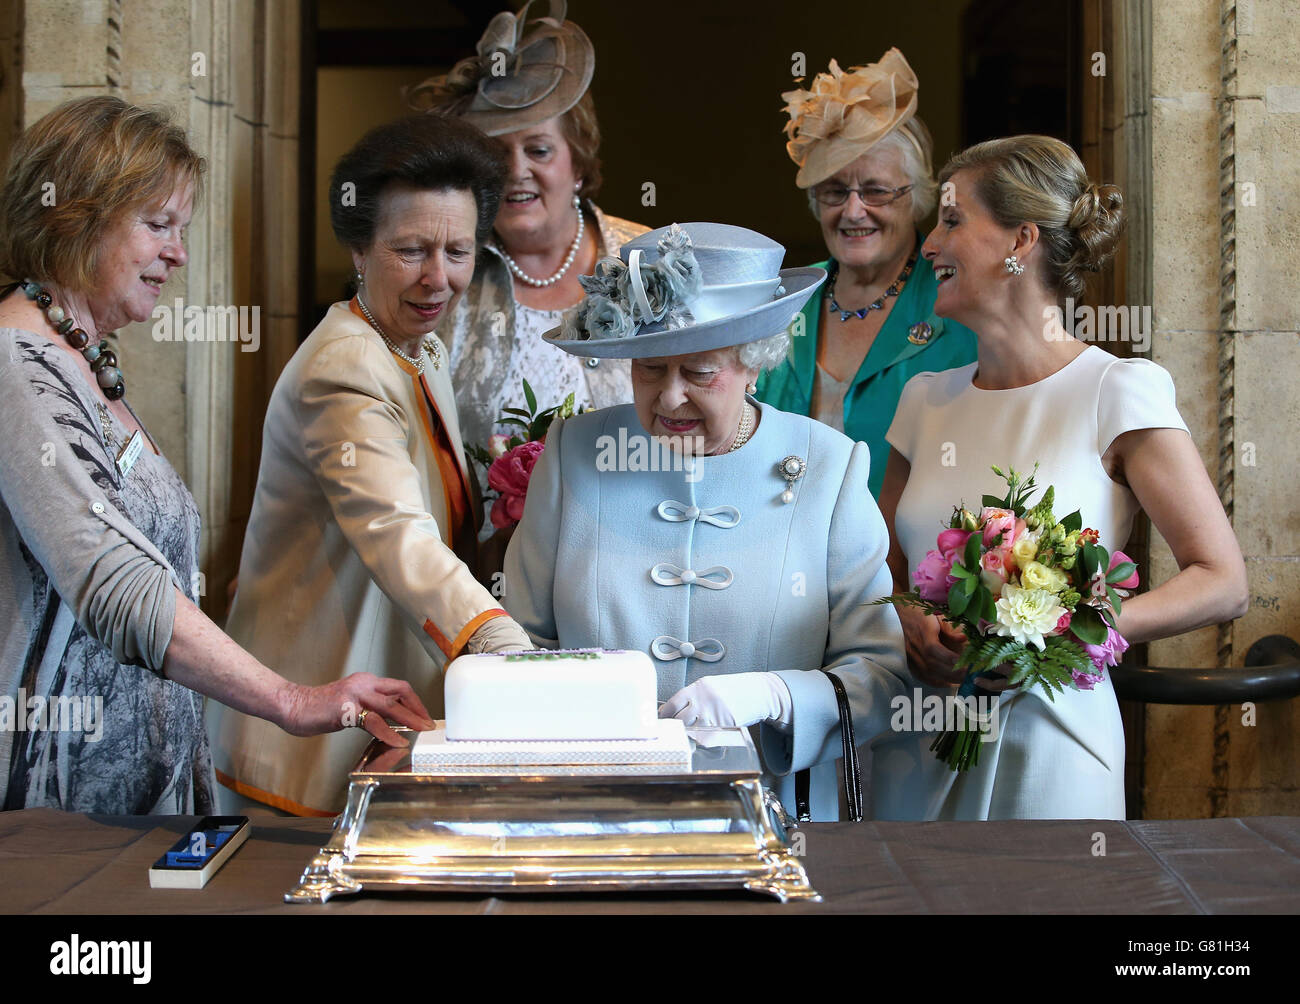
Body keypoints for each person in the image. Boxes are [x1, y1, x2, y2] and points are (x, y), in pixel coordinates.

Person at [0, 97, 433, 814]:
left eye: (183, 228)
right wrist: (291, 699)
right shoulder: (15, 361)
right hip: (52, 819)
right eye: (157, 225)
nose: (179, 254)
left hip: (137, 813)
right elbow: (113, 579)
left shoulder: (81, 359)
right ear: (75, 214)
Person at [871, 135, 1250, 820]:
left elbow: (1222, 579)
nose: (928, 244)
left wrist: (1072, 629)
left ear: (1021, 240)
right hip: (915, 740)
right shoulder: (923, 400)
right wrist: (908, 621)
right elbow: (882, 570)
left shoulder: (1117, 390)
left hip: (1052, 750)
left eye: (952, 220)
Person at [503, 222, 908, 821]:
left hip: (771, 818)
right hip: (599, 812)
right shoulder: (575, 452)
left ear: (755, 363)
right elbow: (518, 643)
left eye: (698, 372)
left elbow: (880, 674)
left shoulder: (828, 467)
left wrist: (776, 697)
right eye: (649, 369)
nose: (669, 399)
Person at [210, 114, 533, 817]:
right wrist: (502, 643)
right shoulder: (346, 367)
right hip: (306, 740)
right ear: (360, 248)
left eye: (457, 250)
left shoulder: (416, 346)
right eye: (410, 250)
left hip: (380, 705)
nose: (437, 278)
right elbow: (397, 531)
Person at [407, 0, 649, 458]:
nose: (516, 171)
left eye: (538, 151)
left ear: (577, 163)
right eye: (497, 156)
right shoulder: (442, 276)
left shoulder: (647, 260)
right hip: (477, 530)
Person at [757, 48, 978, 499]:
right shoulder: (782, 300)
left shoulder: (961, 306)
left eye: (875, 190)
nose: (853, 210)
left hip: (910, 562)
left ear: (916, 197)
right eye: (835, 191)